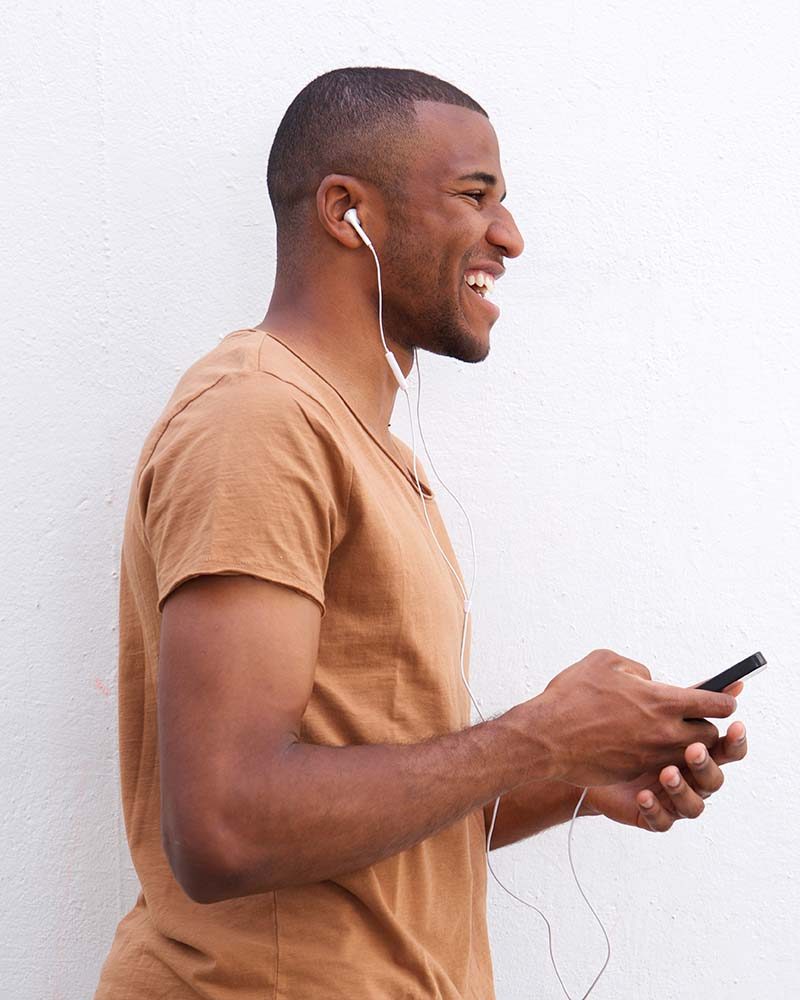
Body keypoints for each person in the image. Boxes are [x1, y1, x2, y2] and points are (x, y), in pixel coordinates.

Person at [93, 67, 748, 1000]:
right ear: (346, 209)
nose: (510, 237)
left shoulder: (363, 445)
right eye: (474, 196)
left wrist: (572, 774)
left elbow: (357, 808)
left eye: (504, 203)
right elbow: (227, 827)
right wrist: (540, 739)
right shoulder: (258, 421)